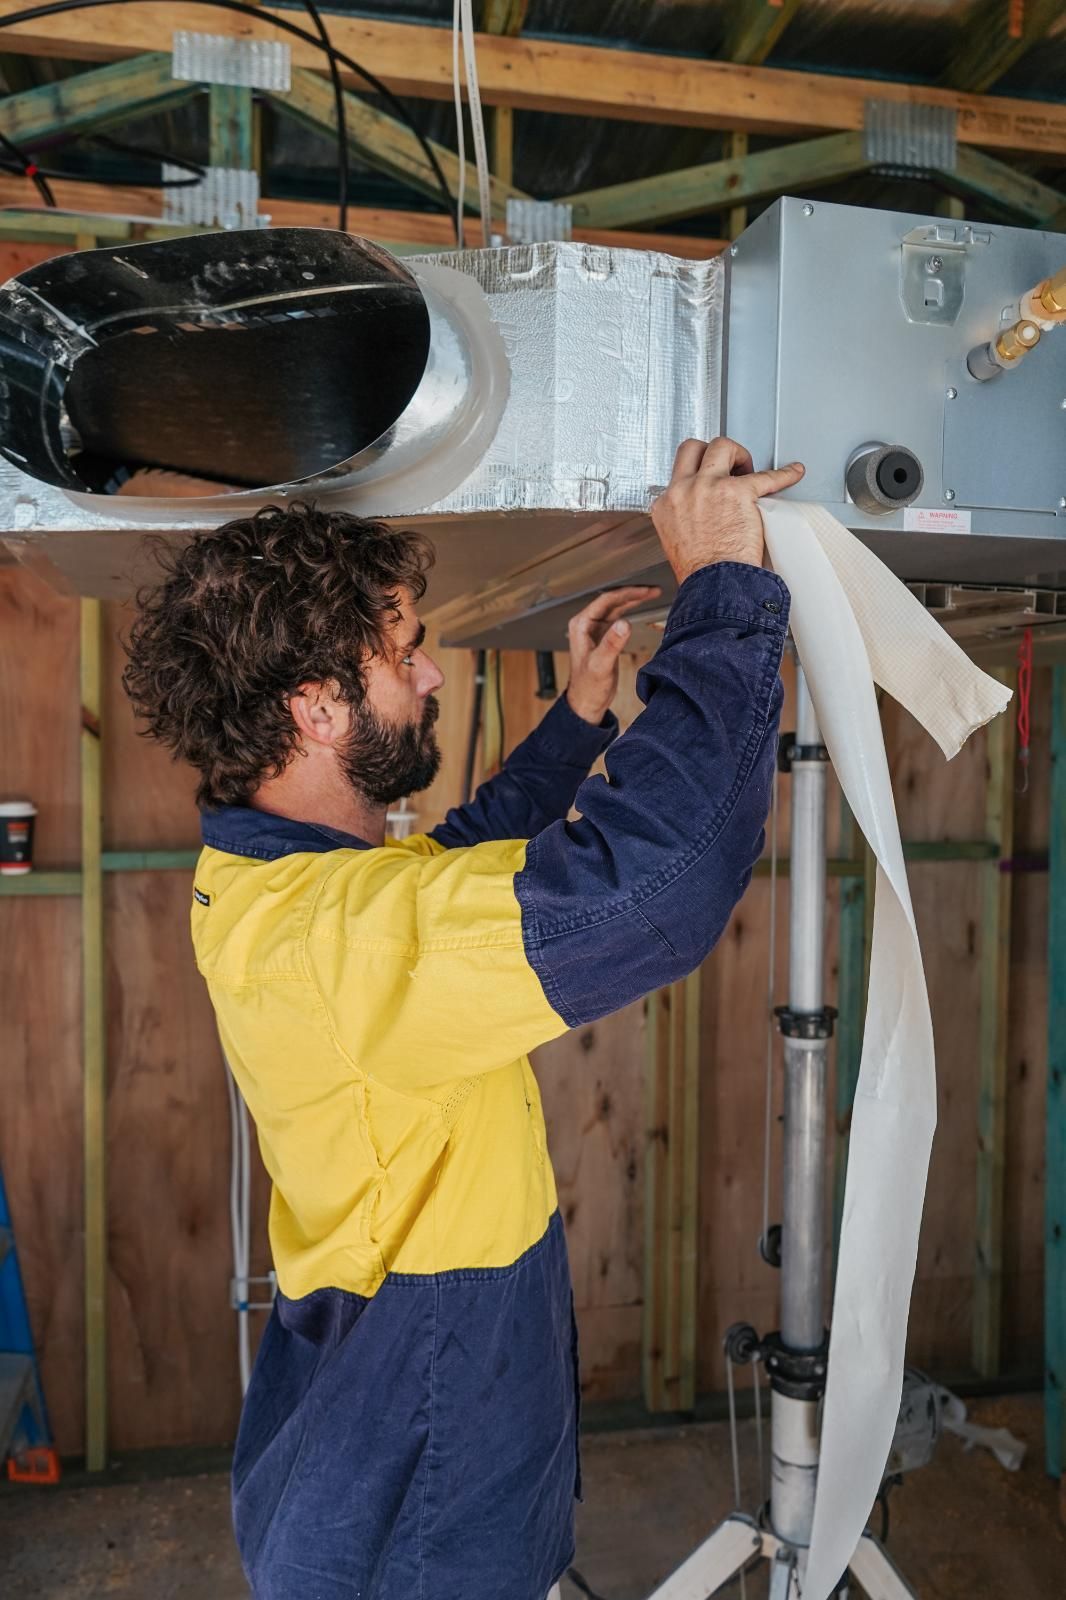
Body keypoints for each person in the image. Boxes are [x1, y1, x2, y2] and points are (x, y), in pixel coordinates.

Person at [123, 436, 803, 1600]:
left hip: (387, 1398)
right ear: (317, 708)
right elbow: (657, 885)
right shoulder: (338, 939)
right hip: (419, 1444)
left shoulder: (275, 877)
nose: (431, 677)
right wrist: (723, 594)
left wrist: (578, 718)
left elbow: (446, 867)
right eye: (404, 656)